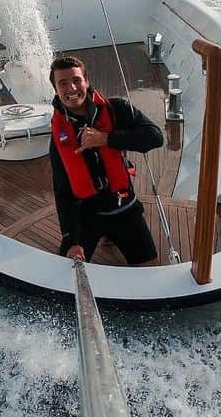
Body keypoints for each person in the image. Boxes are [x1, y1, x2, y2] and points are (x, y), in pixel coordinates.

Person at [48, 55, 163, 266]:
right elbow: (62, 190)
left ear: (87, 81)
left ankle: (112, 236)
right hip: (88, 217)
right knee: (67, 274)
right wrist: (71, 239)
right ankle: (105, 237)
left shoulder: (116, 109)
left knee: (150, 272)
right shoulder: (59, 137)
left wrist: (106, 139)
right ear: (55, 90)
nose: (71, 88)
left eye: (76, 80)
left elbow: (155, 137)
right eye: (62, 83)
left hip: (124, 208)